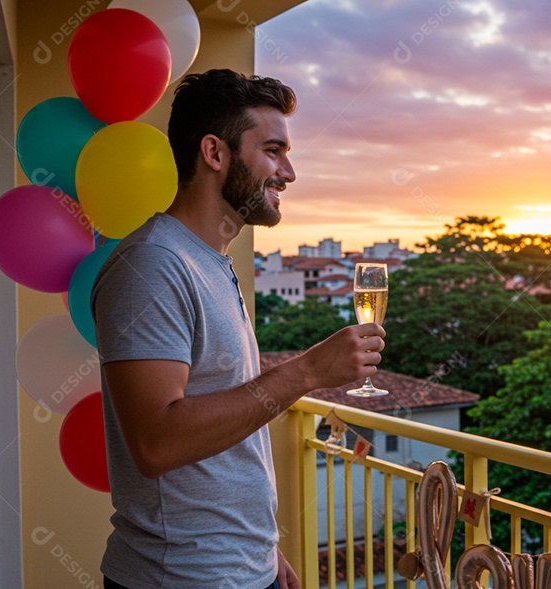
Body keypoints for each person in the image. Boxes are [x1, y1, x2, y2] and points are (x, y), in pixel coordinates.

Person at [91, 69, 385, 589]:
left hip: (241, 567)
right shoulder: (153, 266)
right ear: (215, 153)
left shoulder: (211, 260)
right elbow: (156, 443)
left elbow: (223, 425)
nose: (288, 172)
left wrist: (262, 547)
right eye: (273, 150)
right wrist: (309, 371)